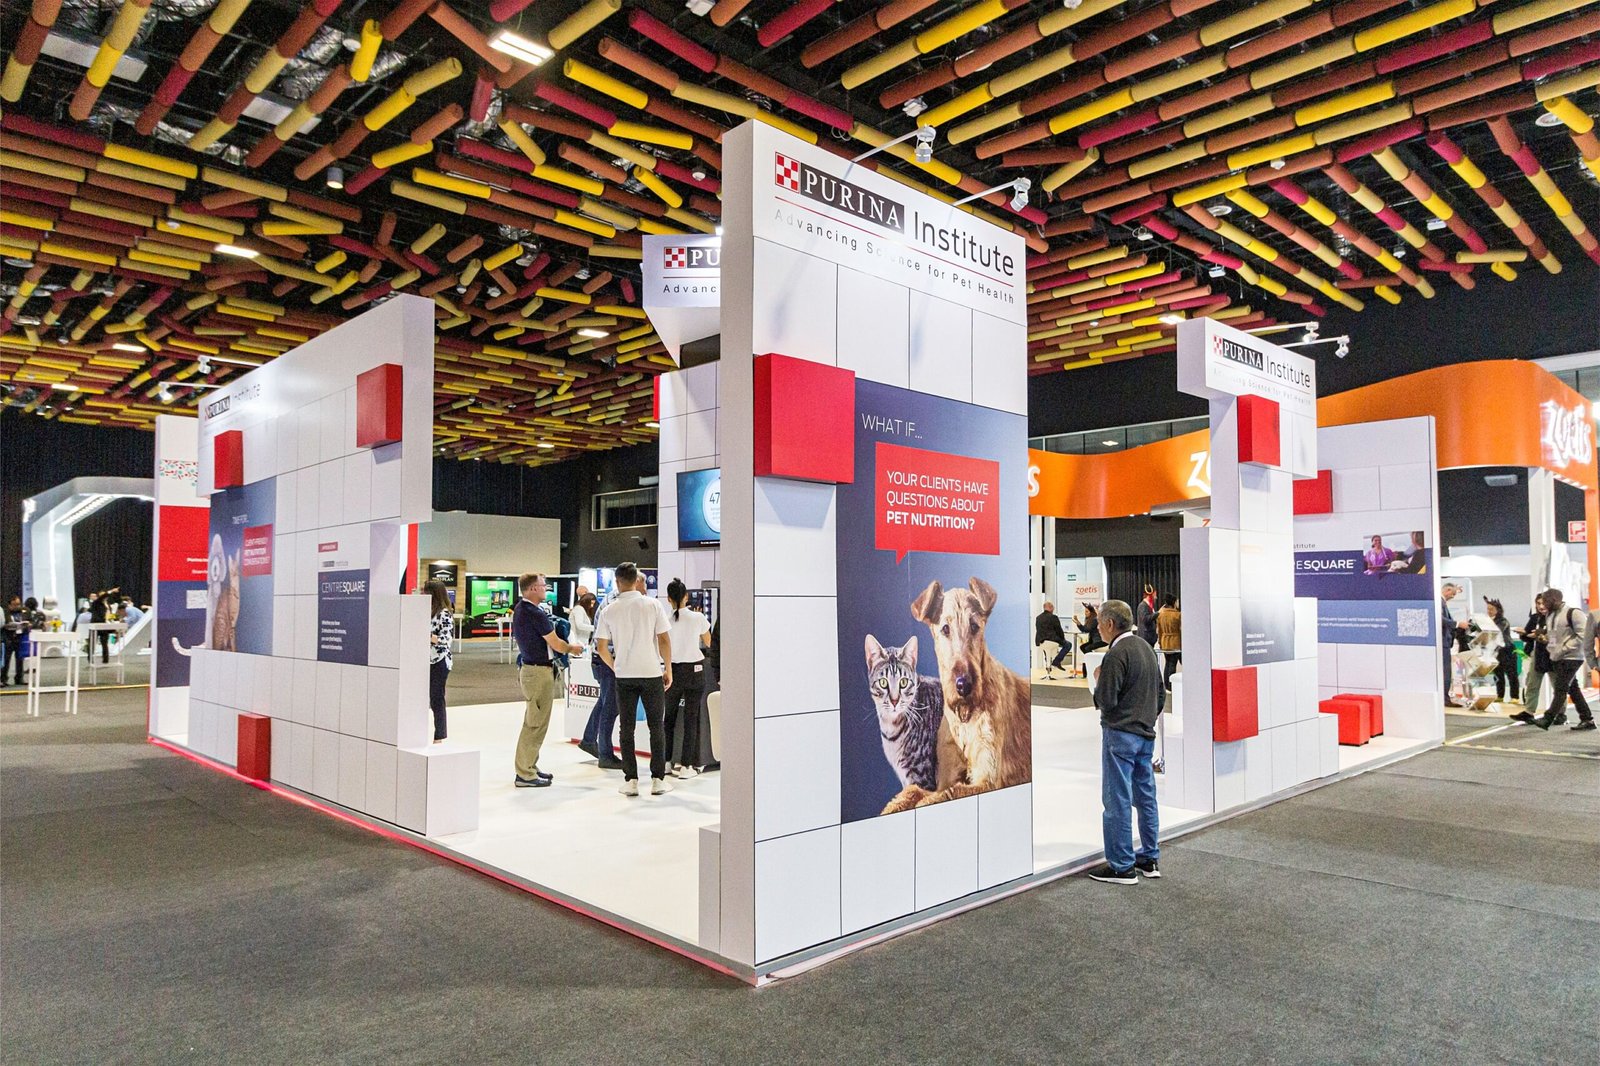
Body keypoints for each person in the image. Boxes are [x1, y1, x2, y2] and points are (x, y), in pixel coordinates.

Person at [1086, 600, 1163, 885]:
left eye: (1099, 623)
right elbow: (1160, 695)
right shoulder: (1146, 648)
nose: (1097, 628)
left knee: (1116, 799)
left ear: (1109, 624)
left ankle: (1121, 866)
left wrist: (1098, 679)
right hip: (1145, 735)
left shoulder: (1116, 654)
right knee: (1145, 797)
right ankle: (1150, 858)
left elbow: (1106, 700)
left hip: (1120, 735)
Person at [595, 562, 673, 796]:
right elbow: (664, 640)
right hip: (651, 673)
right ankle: (658, 779)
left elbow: (601, 647)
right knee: (656, 727)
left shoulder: (609, 610)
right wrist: (668, 668)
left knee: (626, 728)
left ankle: (631, 780)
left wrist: (615, 666)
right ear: (636, 580)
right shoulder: (652, 605)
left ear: (617, 581)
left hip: (625, 676)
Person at [510, 573, 583, 788]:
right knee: (535, 724)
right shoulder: (534, 613)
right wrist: (572, 649)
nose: (546, 589)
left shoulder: (521, 610)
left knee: (536, 721)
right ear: (533, 588)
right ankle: (525, 773)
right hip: (538, 673)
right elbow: (556, 643)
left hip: (532, 670)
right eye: (543, 585)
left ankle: (529, 765)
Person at [1516, 587, 1596, 732]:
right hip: (1558, 657)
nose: (1543, 605)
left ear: (1554, 600)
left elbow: (1583, 635)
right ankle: (1587, 719)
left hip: (1573, 657)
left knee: (1560, 687)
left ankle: (1548, 718)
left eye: (1546, 601)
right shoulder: (1550, 615)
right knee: (1573, 689)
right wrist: (1546, 641)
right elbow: (1553, 637)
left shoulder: (1574, 613)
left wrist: (1563, 648)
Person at [662, 578, 711, 778]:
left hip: (672, 670)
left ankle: (666, 762)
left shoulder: (665, 620)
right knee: (691, 719)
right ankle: (686, 766)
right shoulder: (697, 618)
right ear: (686, 597)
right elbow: (709, 642)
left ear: (668, 599)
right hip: (694, 671)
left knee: (669, 719)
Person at [577, 592, 624, 769]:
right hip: (607, 660)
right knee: (610, 708)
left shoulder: (610, 600)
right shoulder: (615, 603)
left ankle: (589, 739)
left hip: (600, 659)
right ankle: (605, 754)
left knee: (604, 703)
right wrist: (615, 667)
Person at [425, 579, 452, 743]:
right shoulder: (424, 611)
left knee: (436, 698)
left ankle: (439, 735)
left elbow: (446, 640)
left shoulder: (444, 614)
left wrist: (427, 636)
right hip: (423, 660)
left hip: (439, 661)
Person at [1515, 596, 1551, 718]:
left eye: (1543, 603)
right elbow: (1527, 635)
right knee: (1532, 683)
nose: (1541, 606)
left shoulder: (1555, 617)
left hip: (1553, 654)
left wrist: (1540, 634)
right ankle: (1529, 711)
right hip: (1538, 653)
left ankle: (1560, 714)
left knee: (1557, 685)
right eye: (1538, 603)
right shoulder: (1535, 617)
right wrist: (1524, 634)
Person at [1484, 598, 1519, 704]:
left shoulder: (1503, 621)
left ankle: (1515, 697)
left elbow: (1497, 631)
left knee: (1511, 674)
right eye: (1488, 609)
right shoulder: (1488, 621)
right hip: (1495, 651)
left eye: (1491, 609)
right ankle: (1500, 695)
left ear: (1498, 610)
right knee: (1498, 674)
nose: (1489, 611)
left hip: (1507, 650)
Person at [1441, 584, 1468, 707]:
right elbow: (1440, 619)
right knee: (1445, 672)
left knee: (1446, 671)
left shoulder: (1443, 603)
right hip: (1443, 642)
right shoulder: (1439, 602)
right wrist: (1458, 624)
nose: (1452, 597)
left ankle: (1445, 697)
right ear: (1447, 590)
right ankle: (1444, 699)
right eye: (1452, 594)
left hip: (1446, 642)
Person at [1034, 601, 1069, 678]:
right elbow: (1059, 630)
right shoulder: (1054, 617)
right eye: (1053, 607)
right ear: (1051, 608)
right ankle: (1056, 661)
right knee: (1068, 645)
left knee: (1047, 650)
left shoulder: (1038, 618)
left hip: (1041, 641)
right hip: (1053, 640)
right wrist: (1063, 639)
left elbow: (1038, 630)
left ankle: (1048, 667)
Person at [1156, 594, 1182, 692]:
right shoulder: (1178, 615)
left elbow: (1159, 630)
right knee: (1172, 664)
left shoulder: (1161, 614)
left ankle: (1166, 686)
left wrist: (1160, 642)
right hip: (1175, 641)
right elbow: (1181, 630)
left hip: (1164, 641)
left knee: (1167, 663)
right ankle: (1171, 686)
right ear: (1174, 602)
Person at [2, 595, 29, 686]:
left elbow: (29, 620)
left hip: (20, 638)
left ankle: (19, 678)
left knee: (20, 659)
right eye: (15, 605)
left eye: (18, 604)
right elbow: (3, 623)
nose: (17, 606)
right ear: (9, 605)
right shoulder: (5, 612)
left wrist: (27, 624)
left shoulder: (24, 611)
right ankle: (3, 679)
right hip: (8, 638)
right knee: (6, 660)